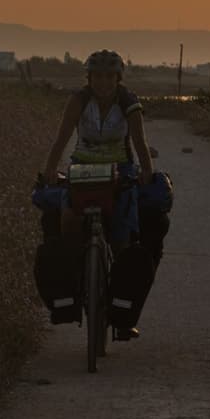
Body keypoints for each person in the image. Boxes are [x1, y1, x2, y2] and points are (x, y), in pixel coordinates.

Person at [33, 49, 170, 341]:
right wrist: (49, 170)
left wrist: (146, 171)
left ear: (118, 78)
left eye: (109, 77)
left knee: (123, 234)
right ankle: (75, 283)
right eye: (97, 76)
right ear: (89, 78)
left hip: (119, 169)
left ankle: (122, 310)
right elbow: (62, 138)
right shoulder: (79, 101)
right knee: (68, 221)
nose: (103, 83)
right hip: (82, 167)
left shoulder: (128, 103)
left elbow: (139, 141)